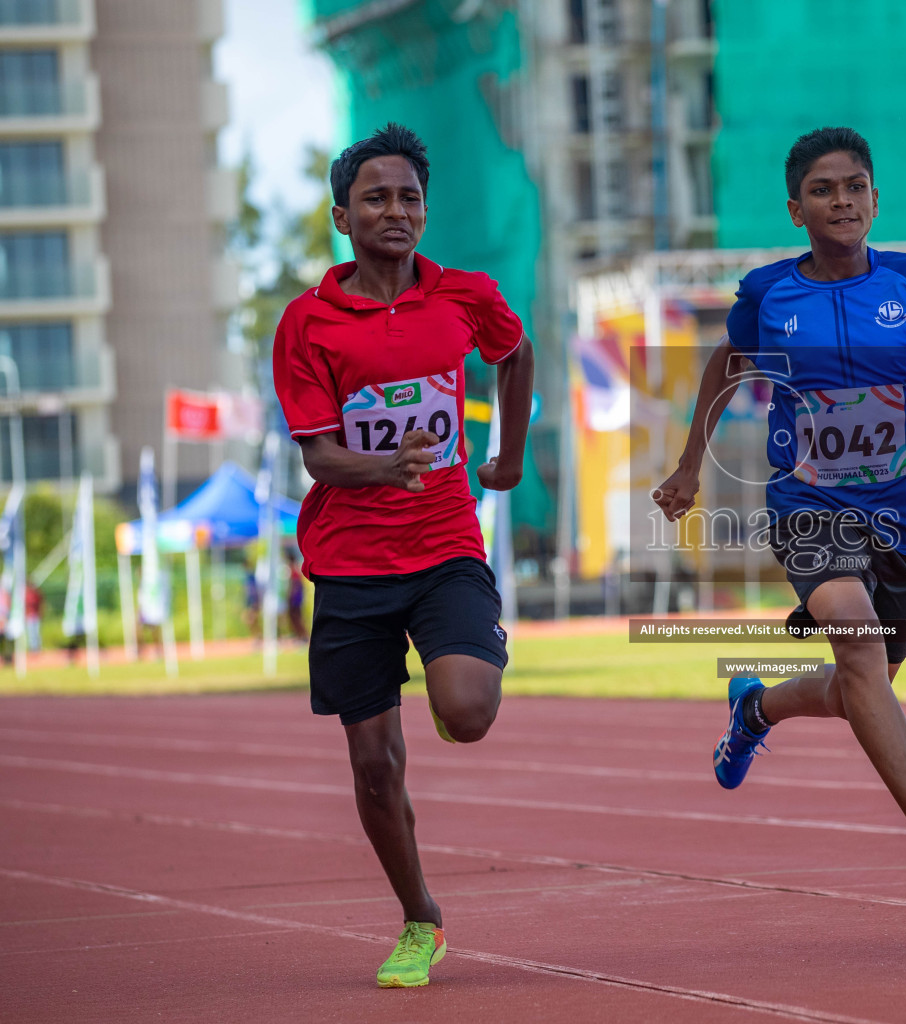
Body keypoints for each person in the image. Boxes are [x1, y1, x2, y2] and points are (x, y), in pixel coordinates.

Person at [654, 127, 906, 898]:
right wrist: (687, 465)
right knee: (858, 650)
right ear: (795, 209)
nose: (841, 200)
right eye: (822, 190)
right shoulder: (770, 293)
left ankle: (756, 707)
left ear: (876, 198)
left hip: (903, 518)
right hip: (808, 507)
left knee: (857, 684)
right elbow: (728, 363)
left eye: (854, 186)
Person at [272, 123, 533, 988]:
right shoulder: (308, 323)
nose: (396, 211)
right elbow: (319, 456)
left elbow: (515, 350)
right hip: (349, 563)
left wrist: (511, 456)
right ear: (343, 215)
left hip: (445, 544)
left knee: (466, 712)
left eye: (410, 197)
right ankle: (421, 919)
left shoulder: (463, 296)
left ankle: (473, 643)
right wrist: (389, 465)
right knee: (375, 765)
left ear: (425, 211)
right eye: (377, 197)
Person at [284, 549, 308, 642]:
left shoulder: (294, 571)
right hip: (296, 598)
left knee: (297, 617)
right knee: (294, 617)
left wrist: (291, 596)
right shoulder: (293, 570)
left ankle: (304, 636)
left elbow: (296, 586)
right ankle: (300, 636)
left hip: (295, 598)